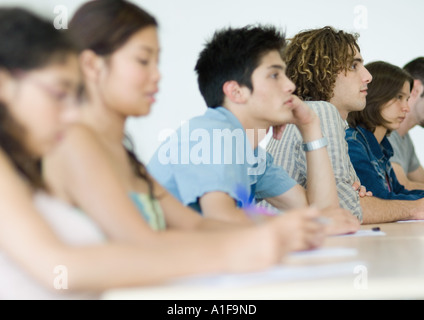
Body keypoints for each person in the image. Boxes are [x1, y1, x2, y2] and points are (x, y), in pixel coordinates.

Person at [1, 6, 324, 300]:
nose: (157, 75)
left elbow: (193, 226)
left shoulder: (123, 154)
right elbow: (70, 263)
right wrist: (239, 248)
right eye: (143, 60)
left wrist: (274, 234)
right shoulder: (72, 143)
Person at [147, 22, 357, 235]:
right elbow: (221, 220)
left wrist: (310, 126)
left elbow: (322, 213)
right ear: (236, 92)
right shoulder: (209, 133)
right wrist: (306, 223)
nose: (290, 86)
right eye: (274, 75)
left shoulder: (254, 156)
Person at [265, 26, 424, 224]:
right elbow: (345, 209)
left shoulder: (323, 117)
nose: (368, 76)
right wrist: (415, 208)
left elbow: (351, 203)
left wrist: (356, 197)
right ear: (323, 72)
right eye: (353, 66)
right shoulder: (322, 111)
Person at [346, 61, 424, 200]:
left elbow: (399, 191)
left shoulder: (381, 146)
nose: (406, 107)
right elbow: (380, 199)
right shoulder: (354, 145)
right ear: (376, 96)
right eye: (399, 97)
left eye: (406, 99)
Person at [388, 57, 424, 190]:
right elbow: (402, 186)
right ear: (415, 89)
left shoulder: (405, 139)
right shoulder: (387, 134)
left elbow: (421, 181)